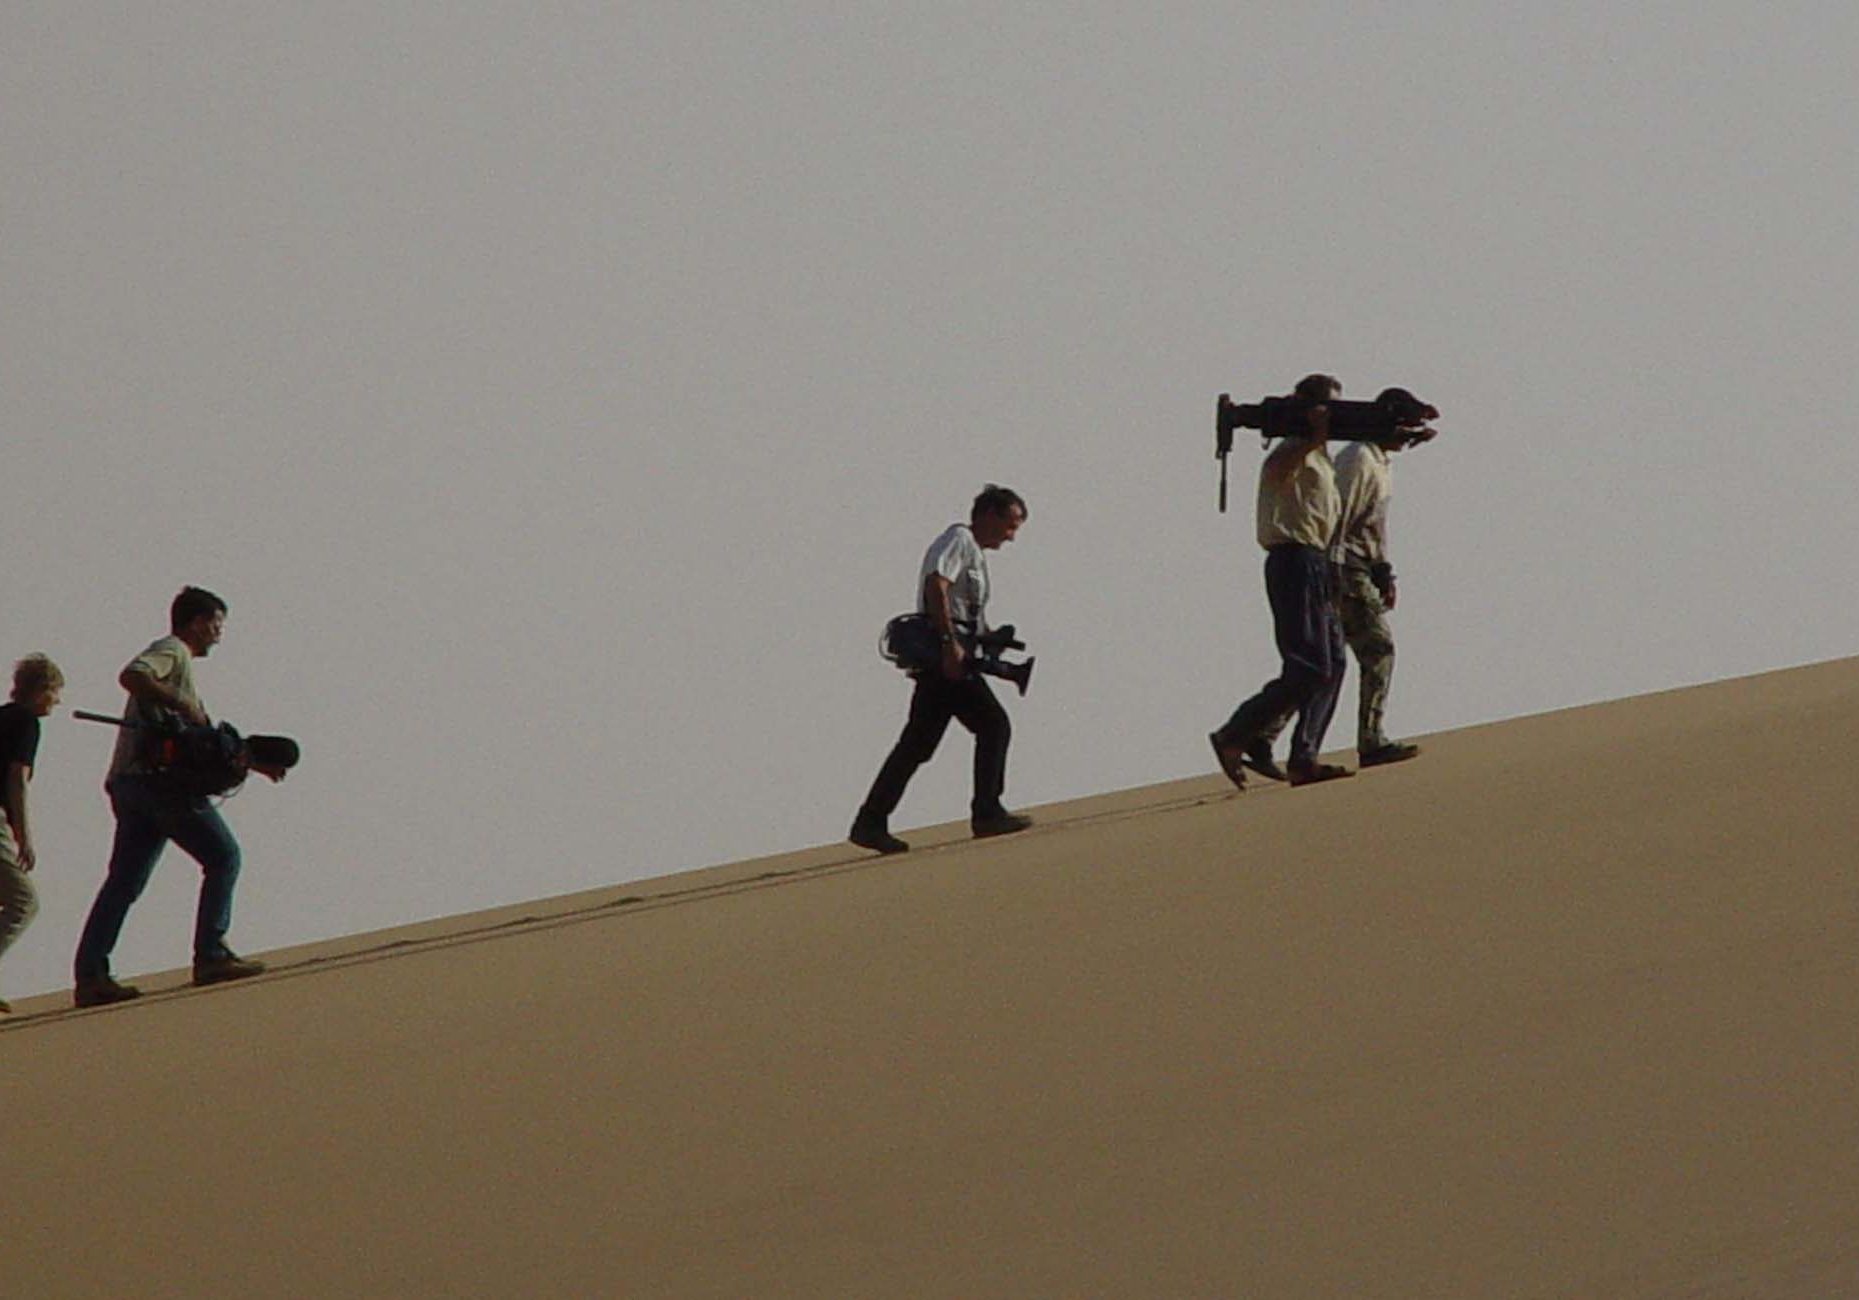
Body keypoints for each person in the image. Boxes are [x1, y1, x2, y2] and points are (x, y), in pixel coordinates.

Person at [72, 587, 284, 1008]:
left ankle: (92, 975)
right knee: (224, 857)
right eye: (217, 623)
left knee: (124, 883)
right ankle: (211, 954)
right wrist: (183, 701)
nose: (219, 634)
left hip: (132, 785)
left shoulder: (179, 661)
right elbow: (133, 674)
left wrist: (252, 763)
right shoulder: (173, 651)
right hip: (160, 786)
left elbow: (197, 743)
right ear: (197, 622)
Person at [1239, 390, 1439, 774]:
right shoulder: (1360, 460)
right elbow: (1337, 517)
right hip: (1342, 568)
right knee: (1372, 650)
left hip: (1354, 566)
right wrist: (1338, 571)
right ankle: (1370, 740)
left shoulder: (1379, 461)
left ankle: (1265, 733)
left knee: (1326, 661)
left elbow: (1373, 523)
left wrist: (1383, 569)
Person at [850, 485, 1034, 854]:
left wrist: (991, 636)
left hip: (951, 657)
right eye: (1009, 526)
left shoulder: (974, 554)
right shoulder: (959, 540)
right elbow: (937, 584)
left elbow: (962, 607)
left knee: (917, 745)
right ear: (988, 516)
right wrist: (951, 644)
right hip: (945, 660)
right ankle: (986, 812)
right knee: (993, 725)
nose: (1011, 536)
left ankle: (870, 821)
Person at [1209, 374, 1352, 788]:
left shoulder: (1320, 457)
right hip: (1293, 559)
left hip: (1317, 562)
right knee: (1308, 666)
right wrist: (1310, 435)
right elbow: (1276, 469)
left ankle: (1303, 757)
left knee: (1333, 663)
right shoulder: (1292, 449)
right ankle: (1235, 734)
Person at [1, 654, 64, 1014]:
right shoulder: (24, 721)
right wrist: (25, 836)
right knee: (23, 902)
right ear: (41, 690)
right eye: (55, 691)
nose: (57, 700)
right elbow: (17, 779)